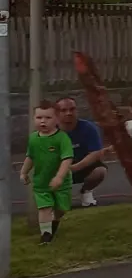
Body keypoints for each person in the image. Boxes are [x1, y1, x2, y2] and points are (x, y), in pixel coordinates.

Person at [23, 102, 74, 244]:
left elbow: (67, 159)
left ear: (57, 119)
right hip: (41, 183)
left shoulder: (62, 138)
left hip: (61, 184)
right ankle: (45, 236)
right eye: (39, 117)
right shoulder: (33, 138)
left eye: (48, 118)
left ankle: (53, 222)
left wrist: (59, 177)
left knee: (61, 209)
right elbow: (30, 156)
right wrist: (24, 172)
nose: (43, 121)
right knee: (44, 208)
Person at [55, 97, 107, 207]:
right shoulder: (49, 131)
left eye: (72, 109)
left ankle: (86, 192)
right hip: (58, 169)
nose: (68, 113)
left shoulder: (89, 127)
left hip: (81, 166)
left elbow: (96, 153)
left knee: (100, 171)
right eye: (63, 110)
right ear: (56, 113)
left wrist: (75, 167)